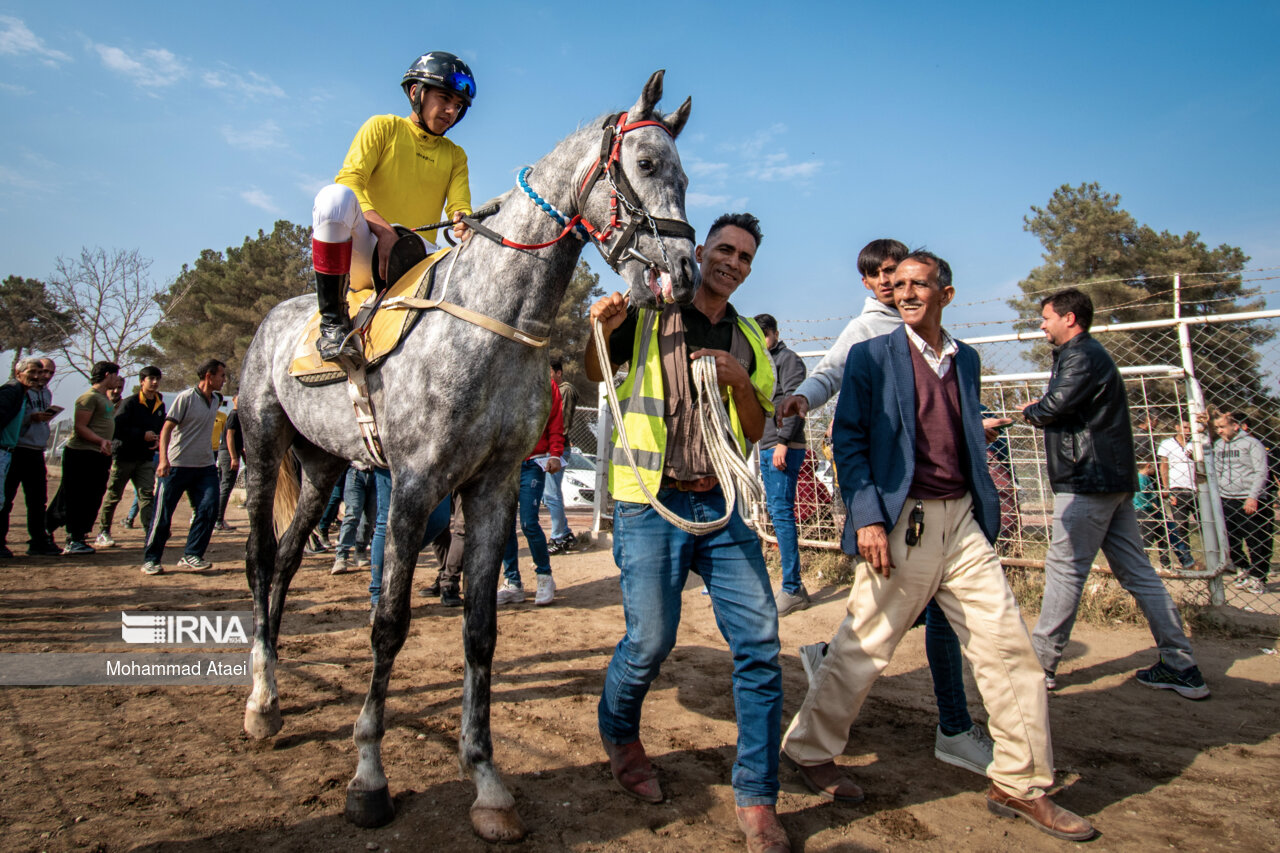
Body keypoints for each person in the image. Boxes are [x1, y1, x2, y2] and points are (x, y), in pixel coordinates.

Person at [782, 252, 1095, 842]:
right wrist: (869, 519)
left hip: (964, 527)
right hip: (906, 525)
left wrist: (981, 504)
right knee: (863, 648)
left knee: (1008, 649)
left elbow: (962, 431)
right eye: (897, 285)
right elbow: (846, 440)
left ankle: (1021, 783)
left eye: (917, 284)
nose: (904, 293)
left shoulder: (966, 359)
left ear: (946, 294)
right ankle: (808, 750)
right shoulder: (872, 356)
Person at [585, 213, 788, 852]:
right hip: (651, 503)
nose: (732, 262)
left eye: (745, 257)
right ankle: (619, 734)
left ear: (750, 268)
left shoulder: (750, 337)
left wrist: (735, 380)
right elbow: (594, 373)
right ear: (699, 251)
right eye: (723, 249)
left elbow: (756, 429)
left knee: (759, 642)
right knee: (649, 642)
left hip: (722, 509)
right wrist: (605, 324)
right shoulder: (647, 314)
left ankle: (756, 796)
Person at [783, 239, 993, 776]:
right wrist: (805, 398)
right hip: (889, 499)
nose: (889, 284)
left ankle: (953, 724)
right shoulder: (868, 335)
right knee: (883, 619)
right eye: (879, 276)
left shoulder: (945, 344)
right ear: (867, 283)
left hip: (945, 505)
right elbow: (832, 380)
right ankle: (838, 704)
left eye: (897, 275)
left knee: (920, 614)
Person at [1020, 288, 1208, 699]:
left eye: (1047, 317)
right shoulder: (1085, 356)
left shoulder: (1081, 355)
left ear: (1070, 319)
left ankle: (1040, 666)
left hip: (1088, 479)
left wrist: (1028, 412)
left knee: (1066, 570)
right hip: (1111, 479)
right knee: (1138, 572)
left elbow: (1055, 407)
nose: (1042, 324)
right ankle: (1180, 663)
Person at [312, 51, 475, 363]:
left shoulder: (456, 156)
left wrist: (462, 220)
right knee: (333, 198)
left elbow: (459, 207)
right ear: (416, 93)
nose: (451, 110)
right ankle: (332, 323)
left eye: (458, 106)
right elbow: (350, 180)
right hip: (367, 249)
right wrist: (384, 231)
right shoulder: (382, 127)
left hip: (416, 258)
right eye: (444, 98)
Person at [140, 359, 226, 575]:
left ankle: (192, 555)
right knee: (163, 514)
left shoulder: (216, 399)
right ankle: (151, 559)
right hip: (177, 465)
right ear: (209, 376)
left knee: (209, 508)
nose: (224, 380)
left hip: (205, 466)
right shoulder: (185, 398)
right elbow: (167, 429)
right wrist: (163, 460)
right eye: (221, 376)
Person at [753, 312, 810, 615]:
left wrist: (783, 443)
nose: (761, 342)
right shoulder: (764, 360)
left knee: (782, 513)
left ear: (774, 333)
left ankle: (792, 588)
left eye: (765, 335)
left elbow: (793, 401)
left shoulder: (789, 360)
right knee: (777, 511)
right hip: (768, 443)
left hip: (781, 445)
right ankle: (794, 585)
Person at [496, 379, 564, 607]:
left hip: (533, 463)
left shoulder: (547, 383)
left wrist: (555, 453)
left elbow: (555, 421)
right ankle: (512, 582)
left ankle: (544, 577)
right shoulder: (503, 377)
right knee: (504, 525)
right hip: (505, 464)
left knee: (528, 523)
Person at [47, 361, 120, 555]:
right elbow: (80, 427)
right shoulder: (88, 398)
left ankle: (78, 536)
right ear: (107, 375)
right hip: (82, 454)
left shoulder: (104, 398)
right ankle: (60, 534)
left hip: (98, 455)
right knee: (74, 496)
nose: (118, 380)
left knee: (92, 497)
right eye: (115, 375)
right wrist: (99, 441)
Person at [96, 365, 165, 546]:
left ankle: (149, 533)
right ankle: (103, 531)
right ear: (142, 381)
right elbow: (117, 428)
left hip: (145, 458)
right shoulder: (130, 403)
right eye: (151, 379)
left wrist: (157, 439)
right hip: (125, 456)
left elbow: (160, 426)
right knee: (114, 495)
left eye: (158, 378)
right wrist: (141, 435)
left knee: (146, 495)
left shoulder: (159, 404)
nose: (155, 382)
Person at [0, 358, 61, 556]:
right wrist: (30, 418)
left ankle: (38, 540)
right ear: (20, 373)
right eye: (39, 371)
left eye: (49, 373)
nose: (43, 376)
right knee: (6, 498)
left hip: (36, 450)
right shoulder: (15, 391)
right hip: (16, 448)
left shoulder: (46, 393)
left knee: (37, 500)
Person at [1211, 410, 1271, 594]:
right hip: (1226, 498)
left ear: (1235, 426)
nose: (1219, 431)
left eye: (1222, 427)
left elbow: (1261, 471)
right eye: (1216, 428)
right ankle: (1244, 568)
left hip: (1248, 499)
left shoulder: (1252, 444)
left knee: (1256, 540)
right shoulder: (1218, 445)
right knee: (1230, 540)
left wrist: (1253, 497)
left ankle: (1259, 577)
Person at [543, 358, 580, 555]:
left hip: (557, 449)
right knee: (550, 494)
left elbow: (562, 422)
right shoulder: (550, 389)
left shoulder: (565, 390)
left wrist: (554, 450)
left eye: (549, 372)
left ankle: (557, 537)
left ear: (558, 373)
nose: (546, 375)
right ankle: (564, 533)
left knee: (551, 494)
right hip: (550, 449)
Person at [1156, 419, 1199, 570]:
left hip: (1197, 489)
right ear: (1177, 427)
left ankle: (1214, 557)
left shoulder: (1197, 443)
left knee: (1205, 524)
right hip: (1177, 489)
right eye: (1185, 427)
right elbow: (1164, 466)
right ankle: (1187, 560)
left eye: (1190, 428)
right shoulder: (1167, 444)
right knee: (1180, 527)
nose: (1188, 431)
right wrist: (1166, 487)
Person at [331, 461, 377, 575]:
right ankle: (341, 556)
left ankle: (360, 551)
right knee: (352, 515)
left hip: (377, 474)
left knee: (369, 519)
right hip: (356, 472)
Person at [214, 395, 242, 531]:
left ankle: (216, 518)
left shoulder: (239, 415)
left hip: (228, 453)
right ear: (234, 399)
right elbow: (229, 435)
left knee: (222, 486)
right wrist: (234, 457)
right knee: (226, 486)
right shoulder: (234, 415)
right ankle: (218, 520)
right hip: (228, 454)